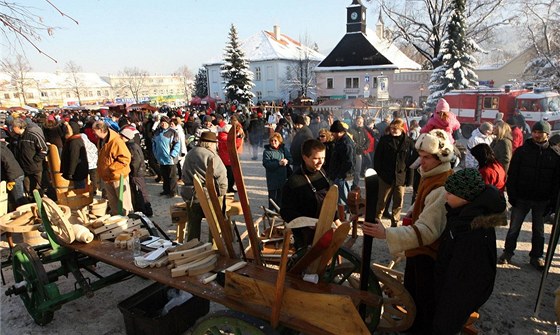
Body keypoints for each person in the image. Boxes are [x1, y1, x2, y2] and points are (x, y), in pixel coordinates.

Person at [363, 128, 455, 334]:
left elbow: (428, 230)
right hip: (418, 251)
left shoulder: (441, 186)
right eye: (420, 156)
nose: (421, 162)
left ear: (441, 157)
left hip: (427, 256)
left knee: (423, 304)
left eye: (426, 158)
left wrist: (386, 233)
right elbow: (419, 211)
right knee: (413, 297)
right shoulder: (431, 175)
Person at [433, 168, 507, 334]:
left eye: (450, 193)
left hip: (458, 293)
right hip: (453, 287)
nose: (446, 197)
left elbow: (465, 272)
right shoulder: (462, 215)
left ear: (464, 197)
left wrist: (447, 292)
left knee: (444, 326)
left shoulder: (472, 229)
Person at [499, 121, 560, 270]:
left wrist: (552, 203)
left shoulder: (554, 155)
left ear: (547, 134)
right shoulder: (522, 152)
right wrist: (512, 196)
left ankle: (536, 256)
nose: (537, 135)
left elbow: (556, 182)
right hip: (522, 198)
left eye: (540, 132)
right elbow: (512, 175)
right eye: (535, 132)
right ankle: (507, 253)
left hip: (542, 200)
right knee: (514, 228)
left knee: (539, 231)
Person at [281, 139, 332, 249]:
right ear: (305, 157)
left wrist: (336, 219)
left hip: (324, 229)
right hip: (305, 235)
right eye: (316, 158)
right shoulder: (294, 182)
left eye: (323, 158)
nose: (320, 162)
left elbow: (329, 198)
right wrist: (307, 222)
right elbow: (285, 211)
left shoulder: (322, 173)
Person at [180, 131, 228, 242]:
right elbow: (222, 177)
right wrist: (221, 195)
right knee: (215, 223)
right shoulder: (212, 156)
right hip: (208, 195)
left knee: (193, 225)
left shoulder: (190, 153)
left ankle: (192, 246)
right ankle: (215, 246)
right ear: (211, 144)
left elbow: (183, 174)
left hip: (190, 194)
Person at [373, 118, 415, 227]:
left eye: (395, 128)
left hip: (401, 177)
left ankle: (395, 223)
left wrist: (409, 180)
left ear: (401, 128)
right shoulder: (384, 140)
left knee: (398, 203)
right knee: (382, 201)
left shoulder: (409, 142)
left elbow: (411, 162)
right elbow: (377, 159)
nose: (393, 130)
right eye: (391, 128)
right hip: (386, 176)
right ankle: (377, 220)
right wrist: (380, 174)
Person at [92, 121, 133, 215]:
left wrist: (111, 168)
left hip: (118, 176)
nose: (93, 133)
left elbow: (126, 158)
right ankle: (116, 221)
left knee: (123, 203)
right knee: (113, 202)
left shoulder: (116, 141)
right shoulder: (101, 141)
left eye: (94, 131)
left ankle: (128, 221)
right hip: (108, 177)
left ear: (101, 130)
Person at [11, 118, 48, 198]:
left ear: (19, 127)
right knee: (28, 188)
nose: (12, 128)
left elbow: (44, 148)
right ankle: (32, 201)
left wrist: (36, 160)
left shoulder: (32, 136)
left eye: (13, 127)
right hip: (24, 168)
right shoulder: (17, 137)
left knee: (42, 186)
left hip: (36, 168)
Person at [120, 128, 152, 217]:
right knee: (141, 191)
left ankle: (142, 211)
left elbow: (136, 161)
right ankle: (146, 210)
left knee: (139, 192)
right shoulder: (133, 145)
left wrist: (132, 172)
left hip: (136, 173)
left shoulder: (131, 147)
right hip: (138, 172)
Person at [327, 120, 354, 208]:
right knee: (339, 201)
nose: (332, 135)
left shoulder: (346, 143)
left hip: (343, 178)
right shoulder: (340, 141)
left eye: (333, 133)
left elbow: (349, 162)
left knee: (343, 201)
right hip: (339, 176)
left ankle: (344, 218)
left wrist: (340, 176)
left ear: (339, 132)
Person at [152, 116, 181, 198]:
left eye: (165, 122)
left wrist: (172, 155)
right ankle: (166, 190)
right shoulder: (157, 132)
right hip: (161, 158)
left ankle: (173, 192)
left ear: (168, 123)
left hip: (170, 159)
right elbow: (153, 144)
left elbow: (177, 144)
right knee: (164, 175)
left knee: (172, 176)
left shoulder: (173, 132)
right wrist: (156, 154)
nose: (163, 124)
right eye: (162, 122)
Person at [262, 133, 292, 209]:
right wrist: (278, 163)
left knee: (281, 195)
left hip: (282, 176)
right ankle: (271, 212)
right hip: (272, 177)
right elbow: (266, 164)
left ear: (279, 141)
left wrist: (286, 161)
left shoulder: (283, 150)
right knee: (272, 195)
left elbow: (290, 159)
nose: (273, 142)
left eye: (275, 140)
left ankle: (280, 211)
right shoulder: (267, 151)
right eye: (271, 141)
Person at [0, 129, 26, 210]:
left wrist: (10, 180)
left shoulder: (1, 149)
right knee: (15, 200)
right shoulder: (4, 147)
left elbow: (7, 164)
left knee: (19, 200)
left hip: (14, 176)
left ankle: (27, 216)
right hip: (16, 174)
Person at [60, 121, 89, 190]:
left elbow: (74, 158)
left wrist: (71, 172)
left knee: (79, 190)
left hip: (77, 171)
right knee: (78, 188)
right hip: (77, 170)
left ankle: (81, 200)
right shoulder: (73, 140)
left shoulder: (74, 142)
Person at [348, 116, 370, 189]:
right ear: (355, 121)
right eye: (358, 122)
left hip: (360, 153)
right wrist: (358, 147)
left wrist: (364, 148)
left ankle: (355, 185)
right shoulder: (351, 130)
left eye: (361, 122)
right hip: (353, 153)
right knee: (352, 170)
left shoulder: (363, 130)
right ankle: (349, 185)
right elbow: (351, 141)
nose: (360, 123)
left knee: (358, 170)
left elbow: (368, 140)